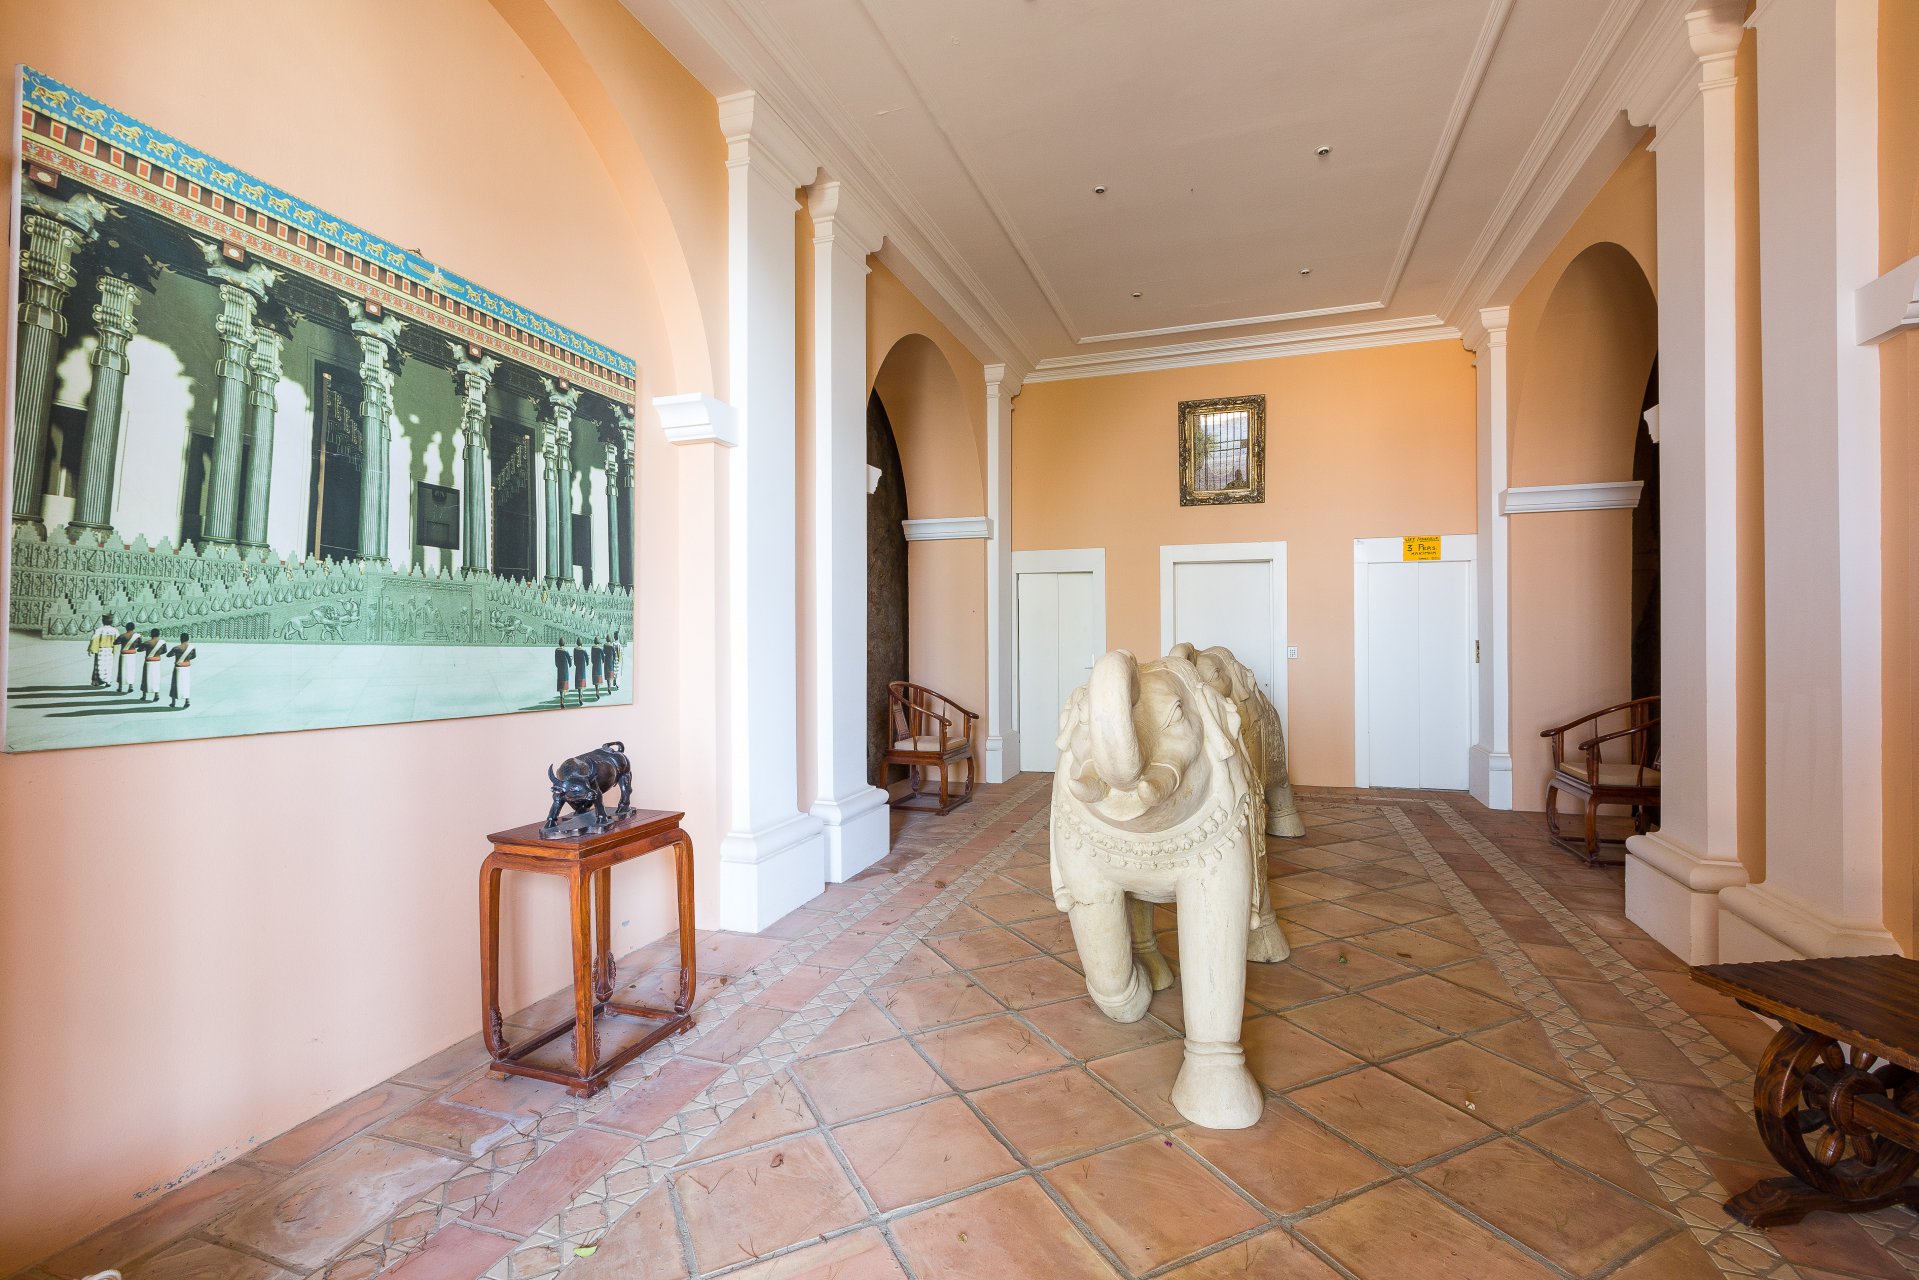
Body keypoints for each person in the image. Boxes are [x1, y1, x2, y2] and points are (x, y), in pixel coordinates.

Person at [167, 633, 197, 709]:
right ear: (188, 639)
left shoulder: (176, 648)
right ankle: (187, 701)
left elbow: (168, 655)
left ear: (180, 639)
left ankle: (173, 702)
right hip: (186, 667)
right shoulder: (192, 648)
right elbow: (194, 656)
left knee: (175, 684)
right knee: (186, 683)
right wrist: (187, 659)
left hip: (178, 667)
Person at [87, 613, 117, 687]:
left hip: (101, 650)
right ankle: (108, 681)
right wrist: (114, 650)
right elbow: (117, 641)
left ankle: (98, 681)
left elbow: (94, 640)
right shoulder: (115, 630)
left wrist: (91, 649)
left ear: (103, 621)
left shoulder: (99, 630)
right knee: (108, 666)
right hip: (110, 651)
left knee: (99, 666)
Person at [140, 627, 166, 702]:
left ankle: (144, 695)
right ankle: (156, 695)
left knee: (146, 678)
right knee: (156, 678)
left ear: (151, 634)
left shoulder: (147, 642)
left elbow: (139, 649)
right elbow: (164, 651)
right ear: (158, 634)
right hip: (157, 662)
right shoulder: (162, 643)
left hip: (148, 662)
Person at [114, 622, 140, 693]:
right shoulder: (137, 636)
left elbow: (115, 642)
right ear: (133, 628)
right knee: (131, 670)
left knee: (122, 670)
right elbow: (139, 645)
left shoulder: (122, 636)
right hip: (132, 654)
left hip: (124, 654)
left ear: (126, 628)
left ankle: (120, 687)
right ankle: (130, 686)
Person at [553, 641, 573, 708]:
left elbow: (556, 662)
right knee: (564, 685)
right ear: (564, 644)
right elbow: (569, 661)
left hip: (560, 669)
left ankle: (561, 700)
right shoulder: (565, 651)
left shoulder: (556, 651)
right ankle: (563, 701)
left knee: (560, 685)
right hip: (565, 669)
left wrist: (558, 666)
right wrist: (570, 663)